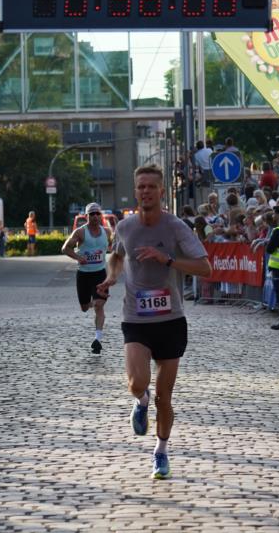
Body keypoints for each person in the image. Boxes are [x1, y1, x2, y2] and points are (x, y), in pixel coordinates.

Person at [97, 165, 212, 480]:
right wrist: (110, 277)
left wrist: (168, 260)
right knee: (136, 383)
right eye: (141, 187)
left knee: (165, 397)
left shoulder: (175, 228)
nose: (146, 191)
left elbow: (205, 268)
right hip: (136, 318)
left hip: (170, 320)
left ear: (162, 192)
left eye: (151, 187)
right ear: (135, 191)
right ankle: (140, 401)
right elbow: (118, 256)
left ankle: (160, 453)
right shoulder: (125, 227)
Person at [62, 202, 112, 354]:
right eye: (92, 214)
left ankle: (98, 339)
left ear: (101, 215)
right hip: (83, 274)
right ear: (86, 216)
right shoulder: (80, 232)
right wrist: (78, 257)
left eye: (98, 213)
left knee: (99, 305)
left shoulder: (107, 232)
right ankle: (89, 303)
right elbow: (65, 248)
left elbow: (113, 248)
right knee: (85, 308)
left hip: (100, 274)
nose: (96, 216)